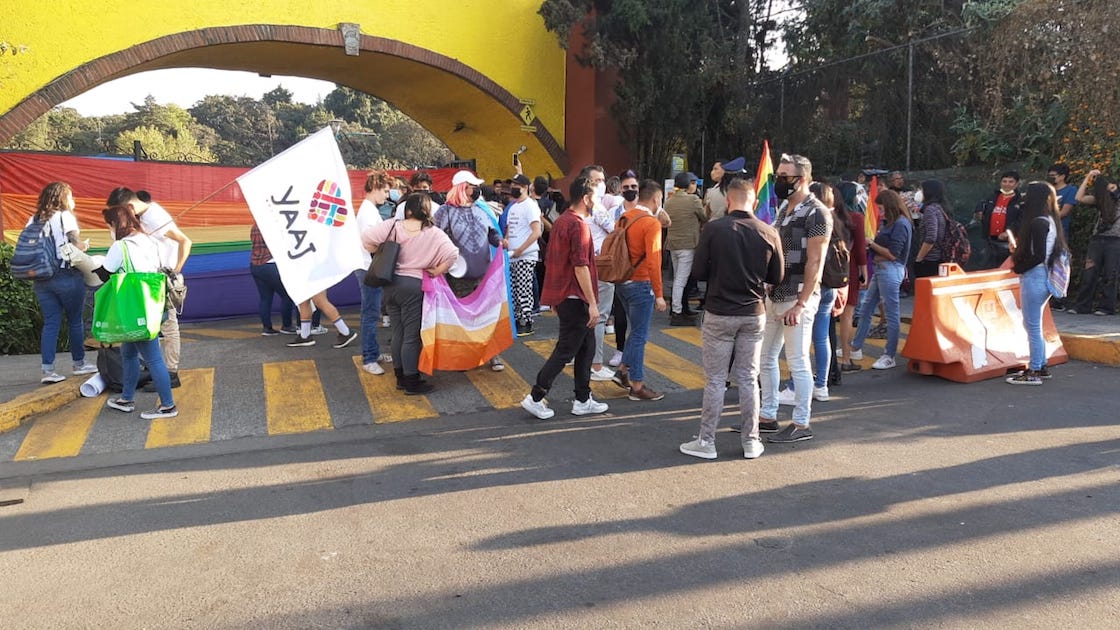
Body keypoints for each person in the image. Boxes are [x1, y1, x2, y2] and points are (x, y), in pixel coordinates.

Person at [679, 177, 783, 460]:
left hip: (719, 312)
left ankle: (706, 441)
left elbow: (698, 272)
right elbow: (777, 276)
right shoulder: (769, 232)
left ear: (728, 200)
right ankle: (751, 440)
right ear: (755, 202)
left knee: (715, 379)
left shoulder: (714, 229)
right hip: (753, 313)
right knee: (749, 378)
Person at [520, 176, 610, 419]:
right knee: (566, 350)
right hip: (575, 297)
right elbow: (580, 266)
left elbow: (553, 261)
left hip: (567, 295)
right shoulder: (578, 225)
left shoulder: (561, 221)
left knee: (586, 347)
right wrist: (592, 303)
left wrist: (554, 297)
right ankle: (536, 396)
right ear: (586, 198)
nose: (598, 203)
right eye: (596, 198)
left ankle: (583, 398)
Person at [759, 154, 832, 444]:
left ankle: (801, 423)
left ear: (801, 179)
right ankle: (767, 416)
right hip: (776, 293)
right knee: (766, 357)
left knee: (798, 360)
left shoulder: (817, 213)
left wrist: (802, 303)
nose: (778, 180)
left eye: (784, 176)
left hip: (797, 296)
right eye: (777, 175)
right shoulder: (784, 208)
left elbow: (816, 261)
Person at [363, 192, 459, 394]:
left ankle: (400, 377)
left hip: (390, 283)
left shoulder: (393, 226)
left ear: (407, 210)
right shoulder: (433, 232)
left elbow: (366, 239)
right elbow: (452, 254)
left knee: (397, 332)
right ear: (427, 210)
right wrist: (437, 271)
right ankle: (411, 380)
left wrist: (378, 250)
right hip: (414, 287)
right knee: (412, 336)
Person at [106, 187, 192, 390]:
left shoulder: (154, 216)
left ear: (129, 206)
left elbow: (185, 241)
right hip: (151, 280)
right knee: (153, 327)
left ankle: (171, 372)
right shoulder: (144, 215)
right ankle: (158, 370)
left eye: (120, 212)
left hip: (162, 280)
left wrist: (174, 271)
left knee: (168, 326)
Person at [99, 204, 177, 419]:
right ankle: (126, 398)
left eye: (109, 225)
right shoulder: (150, 240)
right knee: (128, 353)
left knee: (153, 358)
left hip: (135, 309)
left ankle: (168, 406)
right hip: (154, 303)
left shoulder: (120, 246)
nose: (109, 229)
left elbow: (105, 274)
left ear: (116, 224)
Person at [433, 169, 509, 371]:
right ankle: (465, 357)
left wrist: (500, 241)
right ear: (462, 188)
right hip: (458, 275)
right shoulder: (444, 212)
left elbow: (492, 233)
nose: (476, 190)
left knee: (487, 314)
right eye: (472, 187)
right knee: (463, 318)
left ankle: (492, 354)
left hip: (484, 273)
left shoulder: (481, 209)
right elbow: (435, 238)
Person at [28, 182, 97, 383]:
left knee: (51, 322)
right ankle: (79, 364)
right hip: (65, 274)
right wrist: (83, 246)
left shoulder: (34, 219)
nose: (73, 200)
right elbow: (74, 243)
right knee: (75, 320)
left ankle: (47, 370)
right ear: (62, 198)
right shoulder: (65, 216)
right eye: (71, 196)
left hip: (42, 277)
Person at [1007, 182, 1068, 385]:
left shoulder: (1037, 222)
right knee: (1035, 325)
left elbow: (1039, 255)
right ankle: (1040, 367)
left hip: (1035, 276)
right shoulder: (1050, 220)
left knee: (1032, 326)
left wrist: (1018, 268)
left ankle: (1034, 371)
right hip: (1044, 276)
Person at [612, 179, 668, 401]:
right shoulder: (651, 223)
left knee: (635, 332)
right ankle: (637, 385)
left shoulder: (624, 217)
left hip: (622, 280)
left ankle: (622, 371)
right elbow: (654, 261)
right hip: (641, 283)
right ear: (656, 199)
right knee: (640, 335)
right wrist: (660, 294)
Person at [849, 189, 914, 371]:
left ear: (890, 206)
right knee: (866, 309)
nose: (880, 212)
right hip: (883, 270)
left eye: (882, 208)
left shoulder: (900, 224)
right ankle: (855, 347)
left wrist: (871, 243)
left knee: (891, 313)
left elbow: (894, 254)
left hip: (890, 270)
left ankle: (889, 355)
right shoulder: (895, 223)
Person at [805, 182, 847, 403]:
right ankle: (821, 384)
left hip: (813, 286)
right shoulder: (837, 222)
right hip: (831, 285)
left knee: (802, 340)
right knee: (822, 338)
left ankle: (799, 385)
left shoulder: (814, 220)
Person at [580, 165, 620, 380]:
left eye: (602, 180)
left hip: (583, 265)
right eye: (597, 180)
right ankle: (595, 364)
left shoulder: (577, 205)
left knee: (583, 314)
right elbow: (614, 231)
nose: (602, 184)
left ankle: (579, 356)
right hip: (599, 265)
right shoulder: (596, 206)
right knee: (600, 316)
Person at [354, 170, 394, 374]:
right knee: (370, 314)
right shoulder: (368, 212)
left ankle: (373, 353)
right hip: (369, 268)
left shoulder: (369, 209)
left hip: (370, 267)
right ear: (375, 188)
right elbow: (369, 243)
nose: (387, 195)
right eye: (385, 191)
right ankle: (369, 358)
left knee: (371, 313)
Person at [1069, 169, 1120, 315]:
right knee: (1089, 272)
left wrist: (1114, 190)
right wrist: (1088, 177)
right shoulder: (1100, 200)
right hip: (1097, 238)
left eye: (1112, 187)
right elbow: (1079, 197)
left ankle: (1106, 307)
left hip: (1116, 240)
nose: (1110, 190)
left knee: (1110, 274)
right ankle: (1082, 305)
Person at [606, 170, 641, 370]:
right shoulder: (614, 212)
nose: (630, 190)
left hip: (641, 270)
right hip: (620, 268)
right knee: (619, 313)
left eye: (633, 187)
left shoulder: (646, 209)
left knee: (638, 318)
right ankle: (620, 350)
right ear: (620, 189)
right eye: (626, 187)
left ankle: (632, 353)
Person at [664, 171, 707, 325]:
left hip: (673, 244)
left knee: (678, 278)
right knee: (681, 281)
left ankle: (679, 309)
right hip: (687, 245)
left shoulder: (669, 201)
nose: (695, 186)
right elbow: (704, 217)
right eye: (693, 183)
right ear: (688, 184)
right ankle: (677, 312)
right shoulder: (693, 200)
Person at [834, 182, 868, 374]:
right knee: (847, 314)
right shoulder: (856, 217)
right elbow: (861, 249)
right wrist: (865, 272)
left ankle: (828, 363)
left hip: (829, 269)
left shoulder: (829, 215)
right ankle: (846, 359)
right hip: (850, 269)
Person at [504, 174, 543, 336]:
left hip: (526, 256)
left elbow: (537, 232)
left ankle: (526, 321)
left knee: (523, 289)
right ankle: (517, 319)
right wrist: (506, 241)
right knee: (514, 290)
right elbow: (510, 230)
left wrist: (520, 249)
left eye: (517, 185)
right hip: (513, 256)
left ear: (526, 187)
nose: (513, 188)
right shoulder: (513, 207)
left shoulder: (530, 206)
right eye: (512, 185)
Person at [248, 222, 297, 336]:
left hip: (255, 265)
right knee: (287, 295)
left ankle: (267, 328)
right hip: (271, 264)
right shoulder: (271, 225)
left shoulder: (255, 226)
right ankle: (286, 326)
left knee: (265, 298)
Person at [974, 171, 1024, 268]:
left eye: (1011, 182)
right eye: (1004, 181)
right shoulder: (993, 196)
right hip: (989, 239)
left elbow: (1022, 219)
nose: (1007, 184)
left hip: (1008, 241)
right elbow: (981, 203)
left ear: (1017, 184)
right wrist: (979, 211)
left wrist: (1010, 232)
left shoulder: (1021, 200)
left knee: (1005, 267)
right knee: (987, 266)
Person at [1048, 164, 1078, 310]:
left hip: (1060, 232)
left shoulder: (1070, 190)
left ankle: (1060, 299)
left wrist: (1045, 217)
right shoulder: (1047, 189)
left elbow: (1065, 212)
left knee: (1059, 262)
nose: (1051, 178)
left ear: (1062, 176)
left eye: (1053, 175)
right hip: (1044, 231)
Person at [912, 179, 949, 279]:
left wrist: (919, 259)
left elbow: (931, 237)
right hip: (940, 256)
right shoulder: (940, 208)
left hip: (930, 260)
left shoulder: (930, 210)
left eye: (921, 189)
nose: (919, 192)